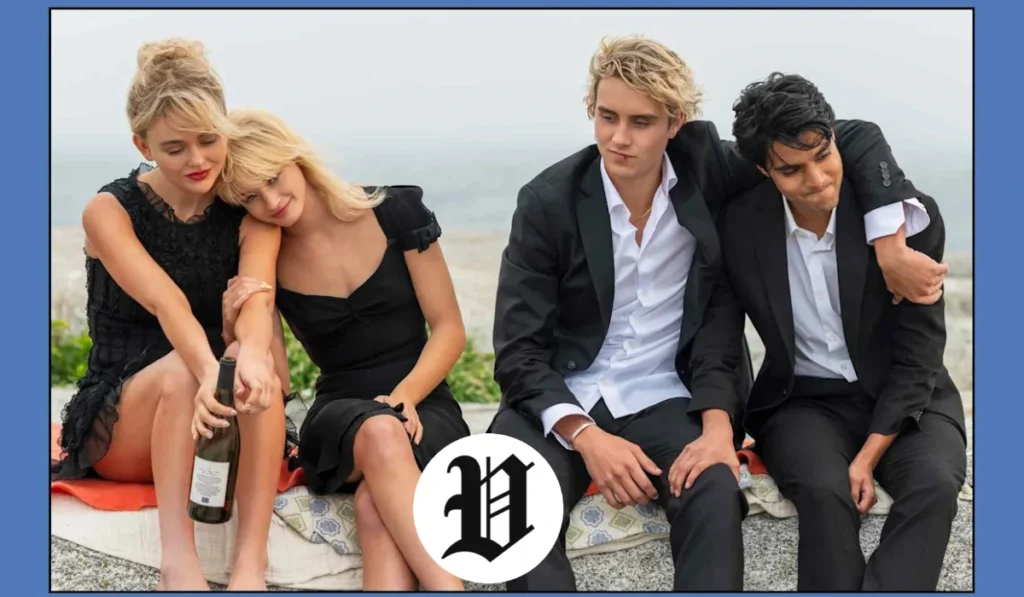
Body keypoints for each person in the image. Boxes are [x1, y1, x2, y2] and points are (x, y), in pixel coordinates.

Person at [489, 35, 950, 592]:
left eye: (641, 122)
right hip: (564, 394)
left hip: (665, 393)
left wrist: (888, 241)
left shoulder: (711, 166)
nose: (618, 137)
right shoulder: (547, 201)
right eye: (607, 116)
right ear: (592, 109)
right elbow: (518, 352)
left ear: (675, 122)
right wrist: (586, 437)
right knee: (499, 501)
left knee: (712, 487)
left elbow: (840, 139)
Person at [691, 72, 966, 590]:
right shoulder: (739, 228)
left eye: (823, 156)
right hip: (802, 402)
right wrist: (716, 425)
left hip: (911, 397)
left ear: (835, 140)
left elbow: (920, 352)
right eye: (792, 170)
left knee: (933, 485)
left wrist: (868, 455)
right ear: (763, 171)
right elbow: (720, 336)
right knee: (822, 490)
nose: (816, 179)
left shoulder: (908, 222)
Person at [51, 39, 287, 591]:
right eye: (175, 147)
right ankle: (178, 563)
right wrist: (208, 373)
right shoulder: (108, 211)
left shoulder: (246, 210)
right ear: (143, 144)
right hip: (126, 415)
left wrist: (247, 353)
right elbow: (167, 303)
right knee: (190, 369)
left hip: (218, 414)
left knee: (253, 365)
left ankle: (250, 564)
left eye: (210, 140)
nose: (198, 160)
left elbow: (257, 298)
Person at [216, 108, 470, 591]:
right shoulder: (267, 252)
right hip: (341, 417)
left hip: (425, 401)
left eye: (273, 177)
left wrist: (408, 396)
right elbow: (279, 380)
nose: (270, 200)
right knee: (380, 434)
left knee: (376, 506)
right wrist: (234, 324)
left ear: (296, 158)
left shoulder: (397, 211)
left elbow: (448, 329)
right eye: (250, 196)